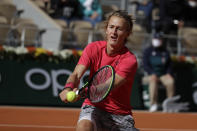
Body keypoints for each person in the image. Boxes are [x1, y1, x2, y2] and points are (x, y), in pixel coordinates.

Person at [59, 10, 139, 131]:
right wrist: (68, 88)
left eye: (119, 29)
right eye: (111, 27)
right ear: (106, 29)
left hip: (120, 115)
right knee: (84, 127)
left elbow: (109, 85)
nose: (114, 32)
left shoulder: (130, 59)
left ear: (127, 33)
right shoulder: (93, 48)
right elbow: (76, 74)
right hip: (93, 107)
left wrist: (83, 92)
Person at [142, 32, 175, 112]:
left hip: (163, 75)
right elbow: (145, 65)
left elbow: (169, 65)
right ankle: (153, 104)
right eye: (156, 39)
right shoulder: (148, 51)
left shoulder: (165, 51)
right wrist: (152, 73)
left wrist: (169, 73)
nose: (157, 41)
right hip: (150, 75)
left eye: (159, 39)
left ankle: (169, 104)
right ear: (153, 40)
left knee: (170, 82)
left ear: (162, 41)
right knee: (153, 81)